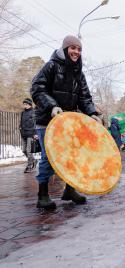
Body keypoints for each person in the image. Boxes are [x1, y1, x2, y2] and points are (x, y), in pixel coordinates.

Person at [31, 35, 102, 210]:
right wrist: (52, 106)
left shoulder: (79, 72)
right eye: (73, 48)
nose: (76, 52)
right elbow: (37, 88)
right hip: (47, 120)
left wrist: (92, 112)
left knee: (73, 157)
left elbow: (84, 97)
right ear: (65, 49)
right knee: (49, 158)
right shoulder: (51, 66)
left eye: (79, 49)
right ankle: (43, 195)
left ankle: (69, 190)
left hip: (69, 123)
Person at [19, 98, 37, 173]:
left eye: (26, 104)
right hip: (23, 134)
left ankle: (29, 166)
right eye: (24, 104)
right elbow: (21, 122)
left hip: (30, 134)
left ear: (29, 104)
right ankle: (34, 160)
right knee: (24, 150)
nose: (24, 105)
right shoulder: (23, 113)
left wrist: (35, 134)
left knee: (28, 151)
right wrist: (20, 128)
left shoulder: (34, 112)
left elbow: (36, 123)